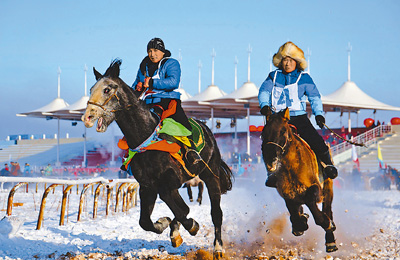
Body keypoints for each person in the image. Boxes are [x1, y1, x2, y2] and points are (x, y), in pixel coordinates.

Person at [258, 41, 338, 187]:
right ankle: (271, 174)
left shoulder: (305, 78)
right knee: (268, 143)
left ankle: (328, 166)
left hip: (298, 117)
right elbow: (263, 92)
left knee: (315, 140)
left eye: (290, 60)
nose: (287, 63)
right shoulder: (273, 76)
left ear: (296, 62)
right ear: (280, 62)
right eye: (284, 60)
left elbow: (314, 97)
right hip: (277, 119)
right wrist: (264, 106)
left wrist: (318, 114)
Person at [131, 37, 200, 164]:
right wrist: (137, 87)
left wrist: (152, 82)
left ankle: (191, 150)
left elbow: (173, 82)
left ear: (162, 51)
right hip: (147, 103)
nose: (152, 54)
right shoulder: (143, 67)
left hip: (167, 101)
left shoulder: (171, 63)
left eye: (155, 50)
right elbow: (135, 85)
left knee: (183, 125)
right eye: (150, 51)